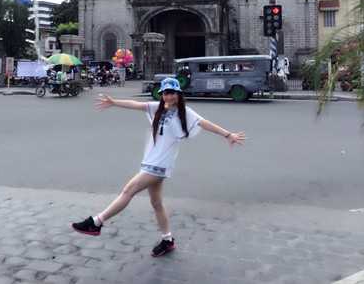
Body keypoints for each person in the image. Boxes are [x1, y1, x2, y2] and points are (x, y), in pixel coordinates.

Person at [71, 77, 246, 257]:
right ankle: (167, 239)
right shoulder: (157, 108)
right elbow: (135, 104)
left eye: (171, 93)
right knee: (156, 203)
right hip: (150, 162)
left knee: (128, 191)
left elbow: (205, 123)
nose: (168, 96)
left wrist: (228, 134)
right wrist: (114, 102)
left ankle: (97, 222)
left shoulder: (186, 113)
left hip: (159, 165)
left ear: (178, 94)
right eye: (165, 93)